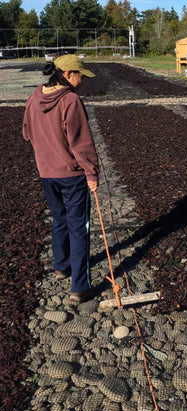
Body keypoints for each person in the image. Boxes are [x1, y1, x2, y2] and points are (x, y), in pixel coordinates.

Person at [22, 54, 99, 305]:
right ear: (67, 74)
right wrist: (91, 172)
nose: (82, 80)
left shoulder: (34, 97)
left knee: (59, 219)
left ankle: (61, 266)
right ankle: (79, 287)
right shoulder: (70, 100)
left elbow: (26, 133)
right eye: (80, 75)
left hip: (46, 173)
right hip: (72, 175)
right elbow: (81, 142)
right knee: (79, 227)